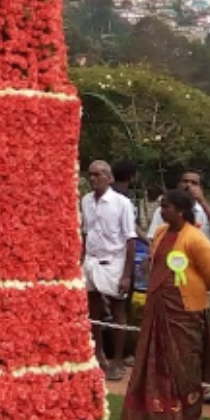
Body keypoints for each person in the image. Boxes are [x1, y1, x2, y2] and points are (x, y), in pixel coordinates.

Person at [119, 189, 210, 420]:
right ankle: (154, 416)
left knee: (184, 366)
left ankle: (185, 417)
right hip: (158, 307)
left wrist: (185, 289)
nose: (162, 211)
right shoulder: (161, 232)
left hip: (185, 311)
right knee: (154, 362)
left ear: (181, 211)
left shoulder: (196, 239)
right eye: (161, 206)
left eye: (166, 207)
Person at [81, 160, 137, 382]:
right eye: (90, 175)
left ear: (109, 177)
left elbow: (130, 240)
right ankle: (98, 355)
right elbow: (86, 234)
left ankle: (117, 361)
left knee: (117, 313)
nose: (93, 179)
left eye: (98, 175)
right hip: (91, 262)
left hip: (114, 263)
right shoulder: (85, 201)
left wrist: (126, 274)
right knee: (93, 312)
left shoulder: (122, 203)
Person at [147, 169, 210, 243]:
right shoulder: (163, 210)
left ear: (200, 189)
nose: (188, 185)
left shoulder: (207, 211)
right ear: (178, 185)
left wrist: (202, 201)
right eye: (185, 181)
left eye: (194, 183)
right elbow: (153, 238)